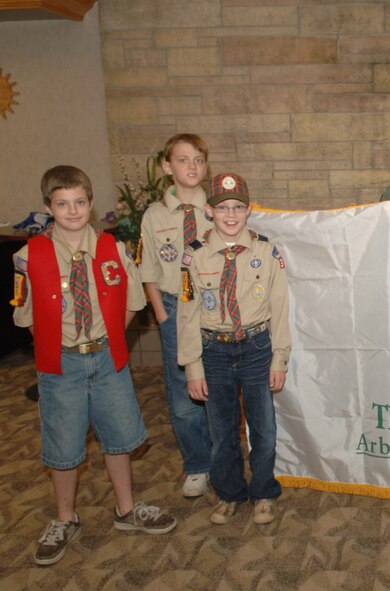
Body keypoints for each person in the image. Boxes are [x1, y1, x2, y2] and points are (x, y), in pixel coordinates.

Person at [11, 165, 176, 566]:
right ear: (48, 206)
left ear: (90, 203)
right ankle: (65, 519)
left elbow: (133, 303)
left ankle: (126, 509)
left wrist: (106, 342)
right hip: (61, 364)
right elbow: (27, 317)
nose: (72, 211)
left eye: (80, 202)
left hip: (105, 360)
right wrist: (61, 347)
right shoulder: (27, 257)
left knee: (118, 436)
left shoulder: (114, 250)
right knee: (63, 444)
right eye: (62, 204)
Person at [177, 172, 291, 526]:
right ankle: (229, 494)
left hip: (257, 346)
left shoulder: (266, 250)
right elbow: (187, 314)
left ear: (249, 209)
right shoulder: (193, 257)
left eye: (238, 207)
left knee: (263, 429)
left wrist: (280, 358)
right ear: (208, 211)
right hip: (214, 350)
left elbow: (280, 308)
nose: (230, 214)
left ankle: (263, 493)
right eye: (222, 207)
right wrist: (192, 367)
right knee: (221, 431)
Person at [139, 133, 213, 498]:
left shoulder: (218, 208)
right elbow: (149, 269)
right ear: (167, 167)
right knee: (184, 390)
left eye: (198, 160)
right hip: (174, 307)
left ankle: (223, 456)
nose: (192, 167)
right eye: (183, 160)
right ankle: (197, 464)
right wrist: (161, 315)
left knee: (217, 385)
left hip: (214, 307)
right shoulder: (154, 216)